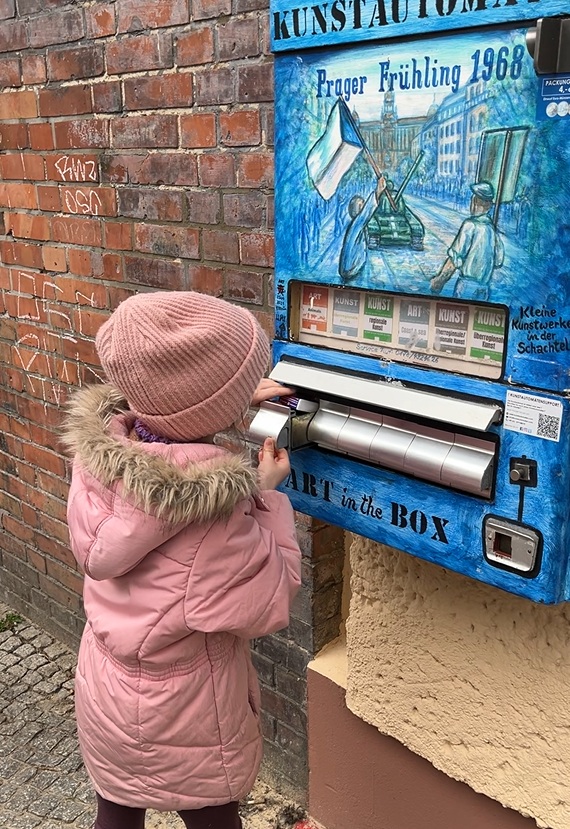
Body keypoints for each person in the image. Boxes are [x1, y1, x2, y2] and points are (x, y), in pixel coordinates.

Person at [62, 291, 302, 829]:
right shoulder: (215, 520)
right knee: (214, 820)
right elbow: (273, 597)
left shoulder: (105, 459)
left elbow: (173, 418)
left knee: (116, 812)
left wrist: (229, 396)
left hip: (108, 691)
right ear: (210, 408)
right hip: (189, 714)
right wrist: (265, 496)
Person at [430, 181, 504, 300]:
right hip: (484, 289)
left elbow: (455, 259)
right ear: (489, 206)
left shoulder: (470, 225)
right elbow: (498, 261)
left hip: (466, 287)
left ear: (474, 202)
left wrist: (439, 281)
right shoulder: (492, 230)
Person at [338, 176, 386, 281]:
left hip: (353, 270)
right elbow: (365, 214)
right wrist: (378, 191)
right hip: (350, 272)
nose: (364, 206)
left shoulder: (357, 227)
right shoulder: (356, 225)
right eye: (361, 205)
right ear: (356, 210)